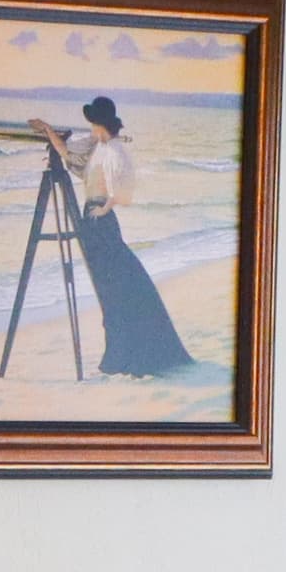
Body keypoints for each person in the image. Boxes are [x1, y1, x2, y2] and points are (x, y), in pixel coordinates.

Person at [32, 97, 190, 376]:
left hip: (99, 220)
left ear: (98, 123)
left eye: (92, 123)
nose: (90, 128)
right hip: (94, 219)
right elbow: (69, 157)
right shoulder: (100, 147)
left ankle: (123, 356)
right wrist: (49, 131)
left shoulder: (113, 150)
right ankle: (118, 355)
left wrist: (105, 207)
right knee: (110, 287)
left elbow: (126, 191)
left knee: (113, 288)